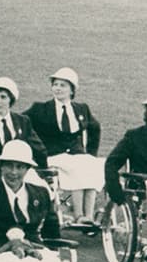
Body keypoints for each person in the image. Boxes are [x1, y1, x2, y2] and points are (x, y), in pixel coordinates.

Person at [26, 68, 102, 228]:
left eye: (63, 85)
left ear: (72, 90)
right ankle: (79, 215)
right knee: (78, 166)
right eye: (55, 84)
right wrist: (34, 149)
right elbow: (21, 122)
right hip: (53, 155)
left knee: (93, 164)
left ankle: (88, 216)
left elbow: (95, 128)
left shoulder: (82, 109)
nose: (58, 88)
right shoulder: (40, 109)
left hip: (76, 155)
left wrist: (91, 153)